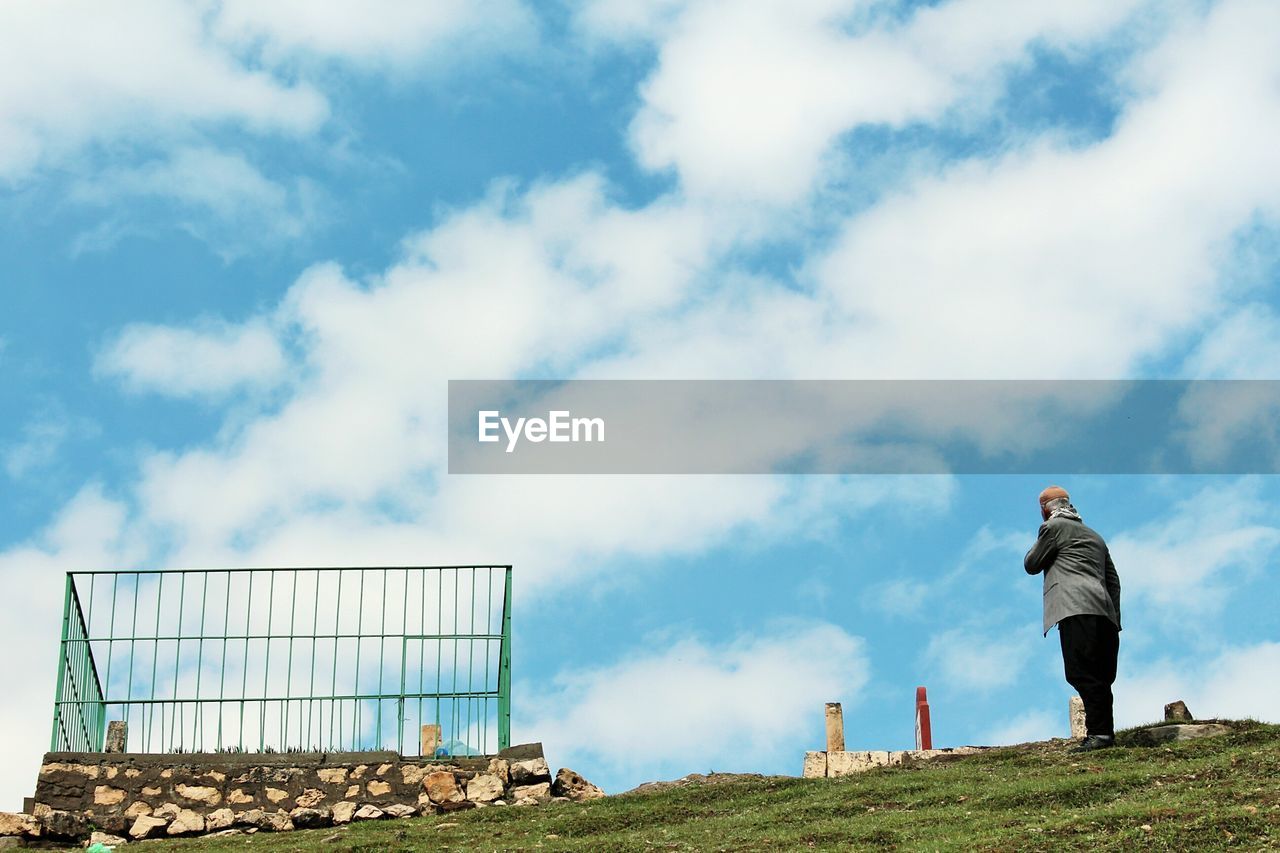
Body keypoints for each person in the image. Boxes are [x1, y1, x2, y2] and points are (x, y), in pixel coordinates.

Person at [1024, 486, 1122, 752]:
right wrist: (1116, 619)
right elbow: (1113, 582)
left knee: (1081, 673)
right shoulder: (1096, 537)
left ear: (1045, 508)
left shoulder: (1053, 528)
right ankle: (1104, 733)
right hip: (1103, 612)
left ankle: (1100, 736)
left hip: (1074, 608)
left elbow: (1032, 564)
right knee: (1101, 676)